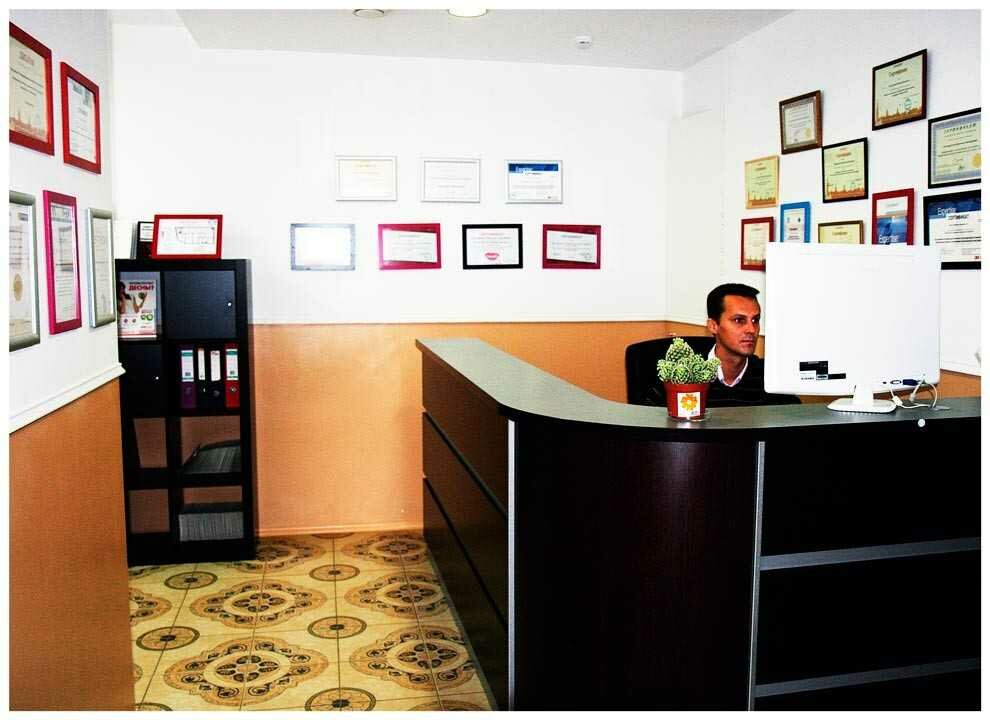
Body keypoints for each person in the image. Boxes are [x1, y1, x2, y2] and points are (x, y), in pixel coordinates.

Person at [704, 283, 799, 407]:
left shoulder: (770, 379)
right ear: (713, 326)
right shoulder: (687, 375)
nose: (752, 329)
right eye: (739, 320)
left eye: (755, 320)